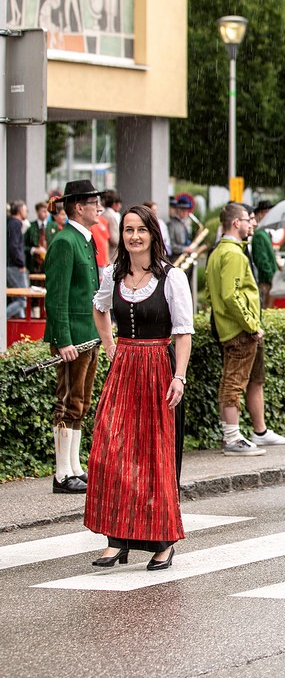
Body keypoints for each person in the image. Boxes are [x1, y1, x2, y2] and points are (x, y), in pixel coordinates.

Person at [85, 204, 192, 570]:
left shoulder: (171, 277)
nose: (133, 236)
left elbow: (183, 333)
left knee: (155, 457)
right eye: (128, 230)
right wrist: (110, 345)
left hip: (158, 368)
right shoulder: (112, 275)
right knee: (111, 451)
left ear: (152, 234)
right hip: (125, 368)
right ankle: (117, 538)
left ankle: (163, 541)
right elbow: (100, 309)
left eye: (140, 230)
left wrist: (179, 377)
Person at [206, 203, 285, 456]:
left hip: (233, 327)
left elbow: (215, 295)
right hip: (239, 331)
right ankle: (233, 439)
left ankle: (254, 433)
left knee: (247, 381)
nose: (251, 223)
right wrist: (252, 325)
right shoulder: (232, 253)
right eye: (247, 219)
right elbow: (231, 295)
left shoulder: (220, 252)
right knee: (233, 384)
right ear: (236, 223)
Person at [42, 181, 104, 494]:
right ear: (79, 207)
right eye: (94, 202)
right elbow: (56, 296)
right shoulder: (65, 241)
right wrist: (63, 339)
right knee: (67, 402)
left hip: (87, 334)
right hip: (72, 338)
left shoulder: (83, 239)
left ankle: (75, 466)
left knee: (80, 402)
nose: (100, 207)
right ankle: (62, 473)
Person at [249, 200, 277, 306]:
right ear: (261, 214)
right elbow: (262, 260)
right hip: (265, 281)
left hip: (268, 280)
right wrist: (271, 278)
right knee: (265, 307)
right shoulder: (259, 234)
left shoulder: (264, 233)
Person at [7, 200, 28, 319]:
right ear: (20, 211)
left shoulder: (11, 223)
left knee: (17, 298)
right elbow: (13, 246)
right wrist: (20, 263)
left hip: (11, 265)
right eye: (25, 210)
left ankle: (20, 324)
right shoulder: (15, 224)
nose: (26, 212)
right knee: (22, 299)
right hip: (15, 266)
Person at [24, 200, 52, 275]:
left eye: (47, 211)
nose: (46, 213)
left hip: (49, 263)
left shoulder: (53, 226)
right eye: (43, 211)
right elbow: (23, 246)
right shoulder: (30, 227)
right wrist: (34, 250)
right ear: (37, 212)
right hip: (34, 264)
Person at [167, 194, 195, 259]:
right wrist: (184, 249)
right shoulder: (171, 224)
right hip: (177, 257)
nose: (185, 212)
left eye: (187, 210)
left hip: (187, 256)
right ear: (177, 210)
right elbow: (171, 245)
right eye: (183, 210)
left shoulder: (187, 222)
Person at [100, 190, 122, 255]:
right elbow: (114, 239)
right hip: (111, 253)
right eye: (119, 204)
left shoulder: (104, 214)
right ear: (114, 204)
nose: (120, 206)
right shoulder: (110, 217)